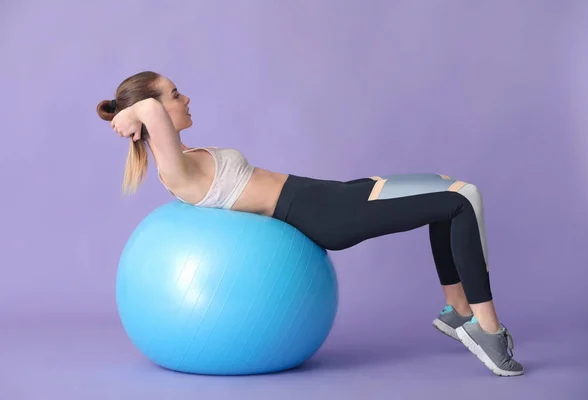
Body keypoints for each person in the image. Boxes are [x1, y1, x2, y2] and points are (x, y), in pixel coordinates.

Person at [97, 71, 523, 377]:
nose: (185, 99)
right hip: (323, 214)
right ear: (150, 114)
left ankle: (458, 312)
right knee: (464, 199)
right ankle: (488, 330)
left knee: (445, 187)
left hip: (325, 194)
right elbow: (150, 108)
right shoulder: (176, 172)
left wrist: (137, 113)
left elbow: (153, 110)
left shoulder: (187, 157)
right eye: (174, 94)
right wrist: (133, 113)